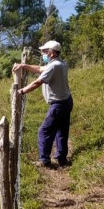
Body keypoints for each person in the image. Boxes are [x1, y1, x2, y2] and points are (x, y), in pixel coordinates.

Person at [13, 40, 73, 168]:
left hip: (58, 104)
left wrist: (21, 91)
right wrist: (24, 66)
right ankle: (62, 159)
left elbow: (37, 82)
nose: (43, 54)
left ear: (51, 53)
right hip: (66, 101)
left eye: (45, 51)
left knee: (44, 131)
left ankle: (44, 160)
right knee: (61, 131)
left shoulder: (53, 66)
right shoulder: (60, 63)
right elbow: (39, 69)